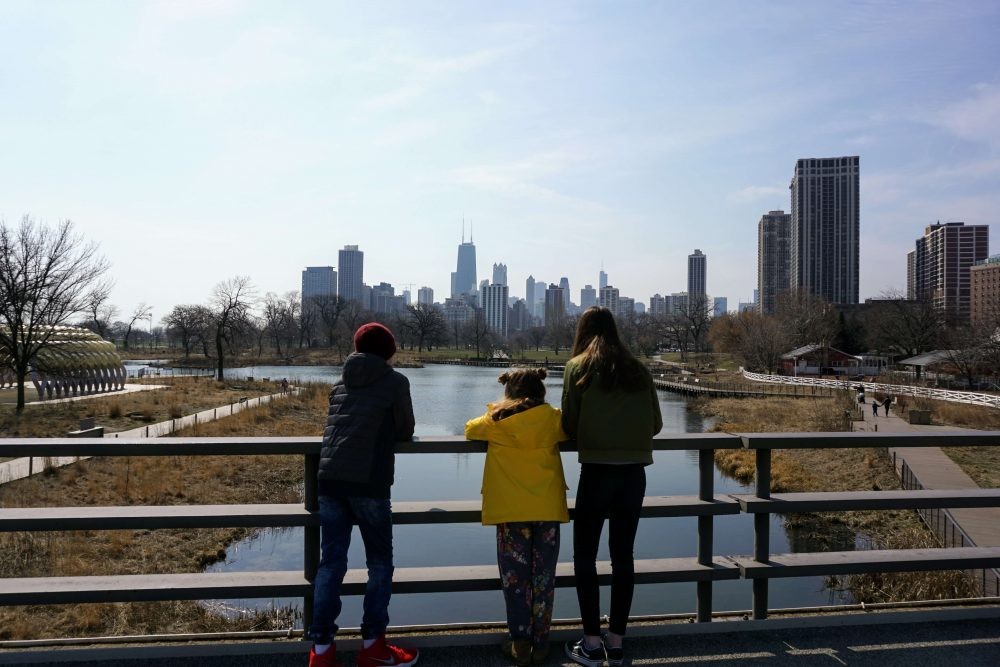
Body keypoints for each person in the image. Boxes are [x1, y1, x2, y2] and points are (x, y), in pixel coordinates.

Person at [306, 323, 419, 667]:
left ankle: (321, 651)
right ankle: (373, 646)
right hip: (369, 481)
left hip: (329, 480)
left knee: (330, 564)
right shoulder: (395, 381)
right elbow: (405, 428)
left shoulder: (340, 383)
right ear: (388, 351)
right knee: (380, 564)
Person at [561, 307, 663, 667]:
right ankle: (616, 640)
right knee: (623, 556)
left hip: (596, 473)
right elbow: (656, 424)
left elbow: (569, 426)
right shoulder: (638, 369)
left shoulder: (577, 368)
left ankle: (590, 642)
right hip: (634, 474)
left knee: (585, 556)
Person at [465, 368, 569, 667]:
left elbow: (469, 429)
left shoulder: (496, 422)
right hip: (546, 509)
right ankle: (542, 643)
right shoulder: (553, 419)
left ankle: (520, 643)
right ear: (541, 391)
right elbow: (569, 430)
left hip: (510, 511)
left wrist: (496, 408)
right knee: (543, 578)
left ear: (508, 392)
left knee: (515, 579)